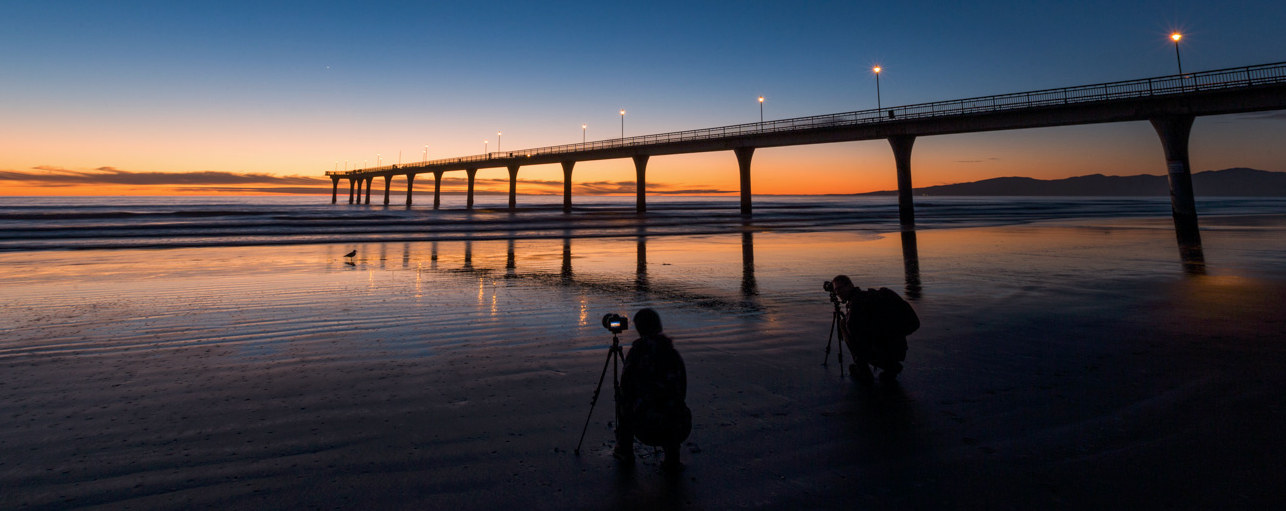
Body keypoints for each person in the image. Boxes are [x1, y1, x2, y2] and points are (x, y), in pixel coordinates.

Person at [616, 308, 691, 471]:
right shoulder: (673, 354)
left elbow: (625, 393)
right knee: (672, 403)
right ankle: (672, 455)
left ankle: (625, 450)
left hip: (648, 428)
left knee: (623, 401)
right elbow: (682, 392)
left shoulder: (637, 353)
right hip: (680, 425)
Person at [831, 275, 919, 384]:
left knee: (844, 325)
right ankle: (890, 366)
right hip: (899, 350)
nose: (837, 293)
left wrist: (848, 319)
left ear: (850, 285)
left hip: (882, 351)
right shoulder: (871, 297)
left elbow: (855, 333)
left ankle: (864, 370)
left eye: (839, 288)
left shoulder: (856, 305)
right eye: (835, 290)